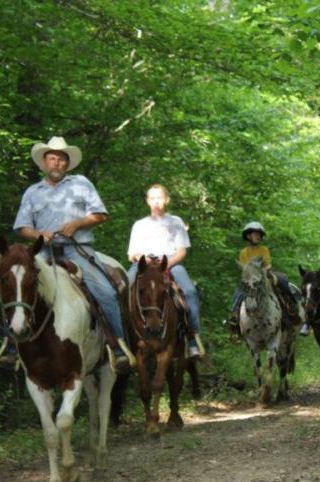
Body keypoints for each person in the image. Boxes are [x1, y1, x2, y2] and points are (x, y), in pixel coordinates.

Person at [12, 136, 133, 373]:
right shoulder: (32, 192)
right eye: (52, 159)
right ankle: (13, 348)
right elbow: (21, 227)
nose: (56, 163)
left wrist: (77, 224)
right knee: (18, 288)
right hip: (43, 252)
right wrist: (38, 234)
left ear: (67, 164)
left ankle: (117, 347)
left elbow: (100, 215)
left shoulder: (81, 184)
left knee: (107, 293)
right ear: (44, 163)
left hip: (78, 250)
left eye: (61, 160)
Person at [127, 184, 204, 358]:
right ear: (147, 201)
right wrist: (143, 260)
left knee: (190, 292)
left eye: (159, 198)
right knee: (122, 289)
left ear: (166, 200)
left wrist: (167, 264)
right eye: (152, 198)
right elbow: (131, 254)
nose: (156, 202)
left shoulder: (175, 222)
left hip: (170, 263)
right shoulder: (140, 225)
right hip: (143, 265)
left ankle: (192, 338)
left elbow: (182, 251)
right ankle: (123, 338)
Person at [226, 222, 301, 332]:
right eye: (255, 234)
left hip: (265, 275)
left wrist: (262, 272)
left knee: (283, 281)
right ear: (248, 236)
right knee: (239, 291)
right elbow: (246, 268)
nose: (258, 236)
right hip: (251, 278)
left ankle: (292, 305)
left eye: (259, 234)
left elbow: (268, 264)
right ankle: (234, 315)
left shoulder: (264, 249)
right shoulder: (244, 252)